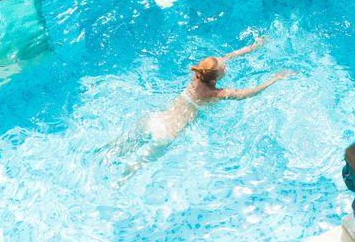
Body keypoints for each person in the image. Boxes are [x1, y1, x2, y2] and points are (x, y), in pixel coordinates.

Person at [104, 37, 298, 179]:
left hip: (155, 119)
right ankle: (117, 183)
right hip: (168, 133)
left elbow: (228, 57)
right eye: (224, 69)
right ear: (215, 77)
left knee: (120, 146)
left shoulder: (198, 75)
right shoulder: (216, 94)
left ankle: (101, 156)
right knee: (137, 166)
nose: (226, 65)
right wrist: (275, 78)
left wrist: (253, 47)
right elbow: (248, 93)